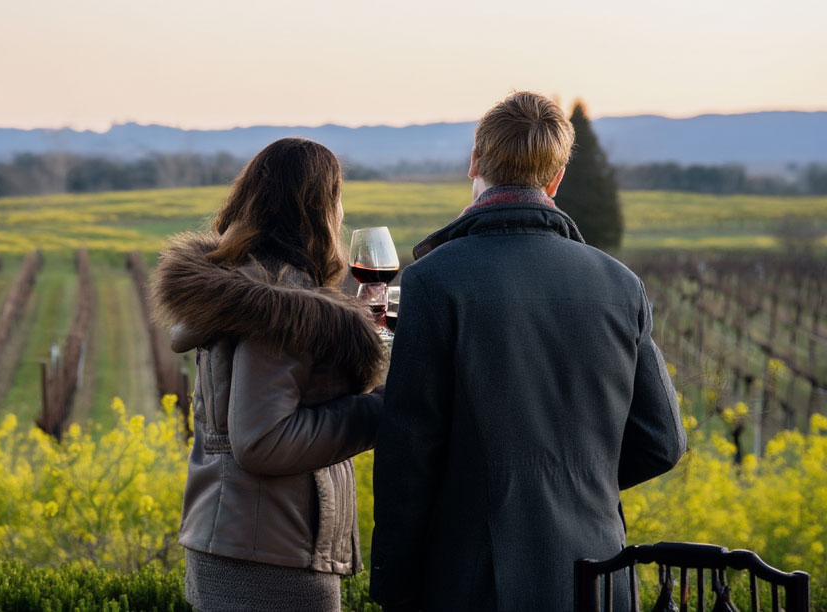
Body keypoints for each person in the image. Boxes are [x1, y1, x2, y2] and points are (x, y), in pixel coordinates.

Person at [368, 91, 687, 612]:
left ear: (475, 160)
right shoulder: (621, 285)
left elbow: (408, 460)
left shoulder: (433, 281)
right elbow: (662, 441)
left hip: (472, 585)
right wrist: (571, 484)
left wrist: (394, 588)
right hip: (600, 581)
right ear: (555, 180)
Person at [152, 137, 386, 612]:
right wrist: (380, 410)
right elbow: (263, 440)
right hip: (272, 556)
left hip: (236, 542)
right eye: (337, 197)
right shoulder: (283, 307)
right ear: (320, 208)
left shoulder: (247, 288)